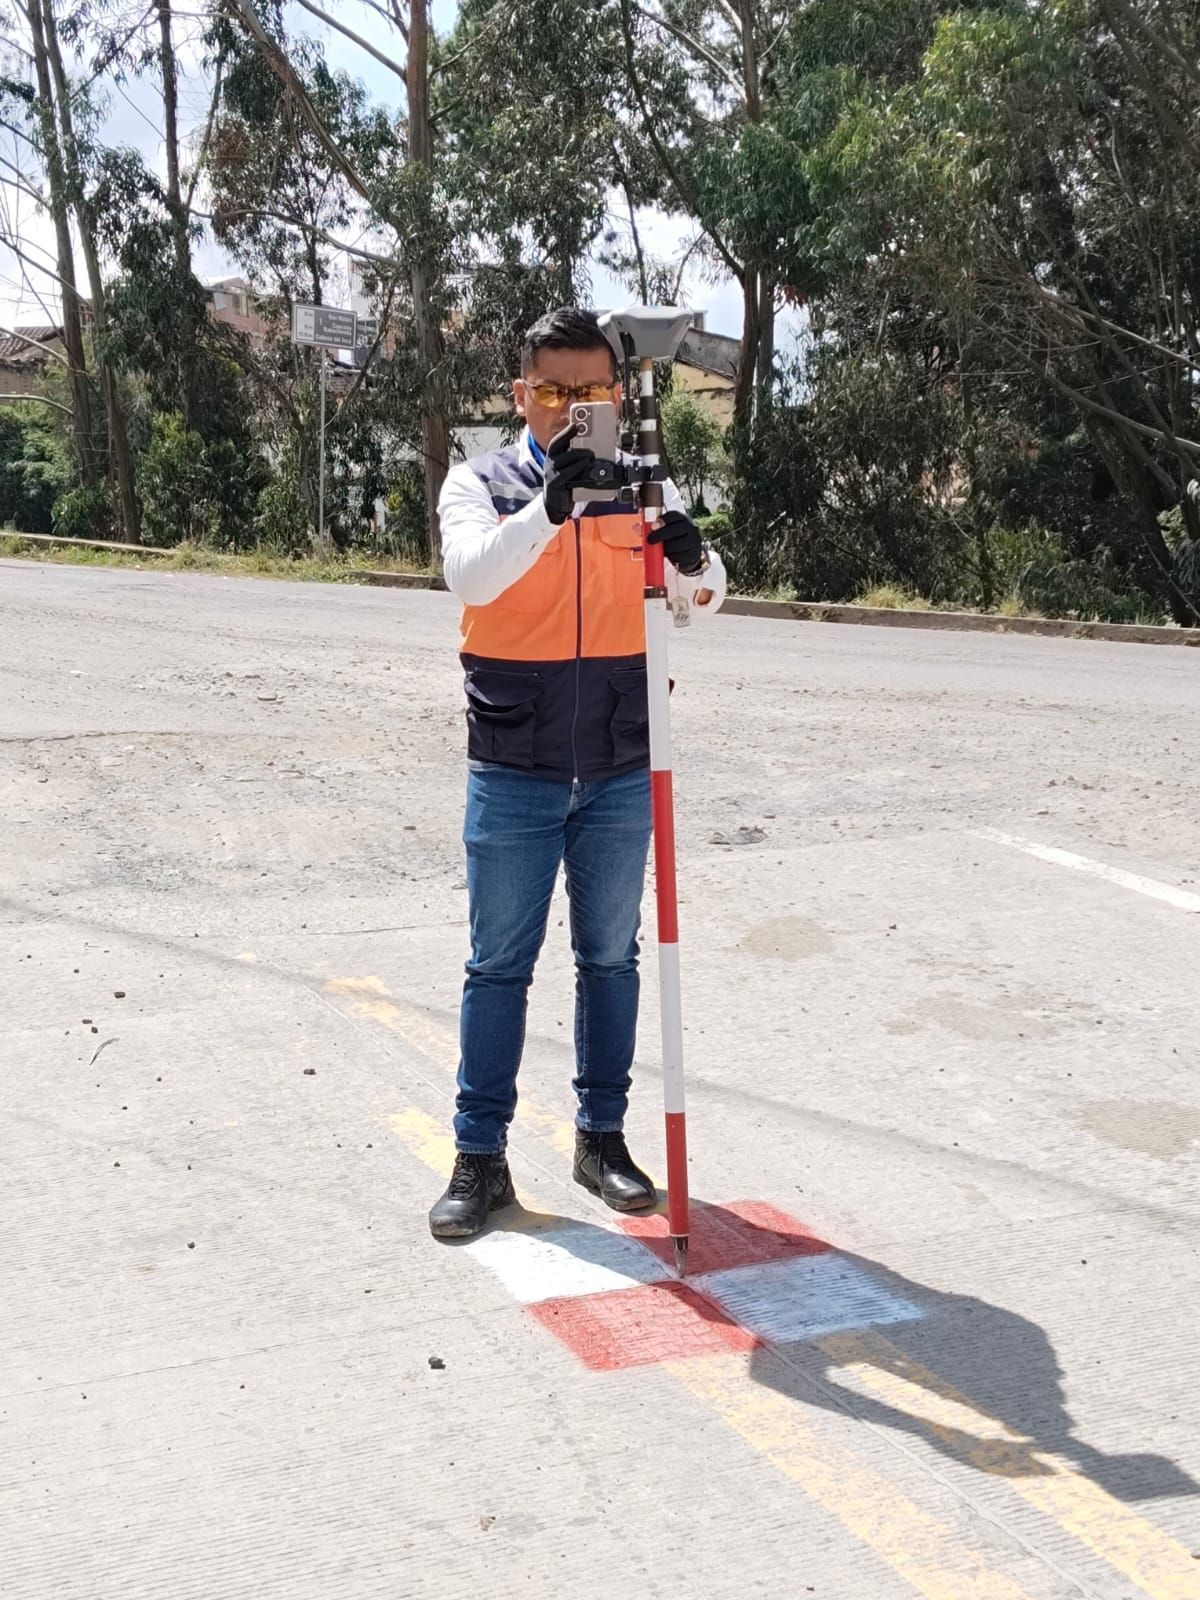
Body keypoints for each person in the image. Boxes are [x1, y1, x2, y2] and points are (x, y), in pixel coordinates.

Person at [429, 306, 726, 1239]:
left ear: (615, 392)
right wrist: (553, 506)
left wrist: (693, 554)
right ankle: (479, 1160)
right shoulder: (478, 482)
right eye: (553, 391)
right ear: (522, 395)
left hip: (619, 765)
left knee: (610, 958)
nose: (571, 408)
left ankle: (602, 1141)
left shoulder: (645, 487)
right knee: (498, 966)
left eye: (590, 391)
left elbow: (702, 597)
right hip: (515, 765)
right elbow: (473, 579)